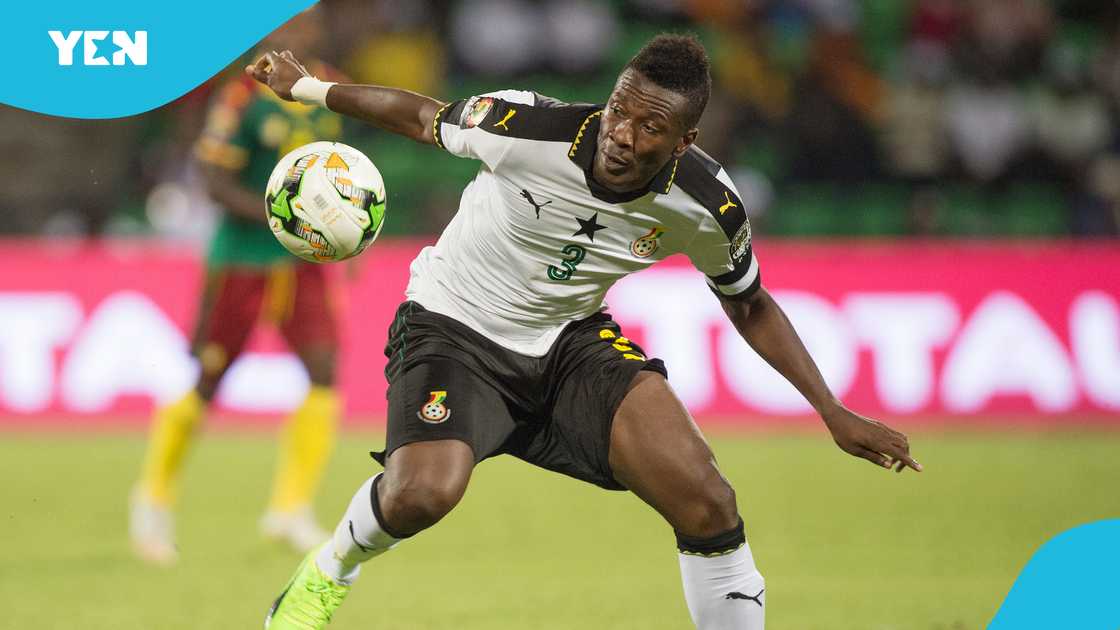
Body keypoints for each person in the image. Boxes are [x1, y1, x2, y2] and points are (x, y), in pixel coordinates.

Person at [249, 34, 920, 629]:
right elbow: (424, 116)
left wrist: (831, 410)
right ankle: (330, 570)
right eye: (619, 109)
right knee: (422, 494)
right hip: (453, 324)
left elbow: (749, 304)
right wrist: (307, 88)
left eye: (649, 126)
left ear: (683, 142)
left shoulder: (707, 204)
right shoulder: (525, 126)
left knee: (707, 500)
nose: (621, 133)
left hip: (570, 342)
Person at [130, 9, 346, 565]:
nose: (294, 34)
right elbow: (213, 181)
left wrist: (345, 233)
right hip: (242, 263)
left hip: (303, 263)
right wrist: (284, 215)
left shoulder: (332, 91)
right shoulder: (241, 99)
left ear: (316, 33)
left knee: (324, 373)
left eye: (305, 24)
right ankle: (153, 498)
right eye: (286, 25)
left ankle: (290, 508)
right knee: (208, 380)